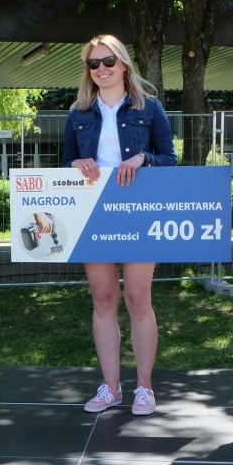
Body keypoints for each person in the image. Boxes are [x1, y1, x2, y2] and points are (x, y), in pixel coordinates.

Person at [62, 34, 177, 416]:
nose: (101, 69)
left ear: (124, 64)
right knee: (103, 299)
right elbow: (65, 164)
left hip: (140, 211)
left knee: (138, 299)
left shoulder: (150, 107)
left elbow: (169, 159)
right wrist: (76, 164)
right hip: (93, 214)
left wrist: (143, 157)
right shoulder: (78, 113)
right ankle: (110, 387)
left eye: (108, 61)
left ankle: (144, 387)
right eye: (93, 64)